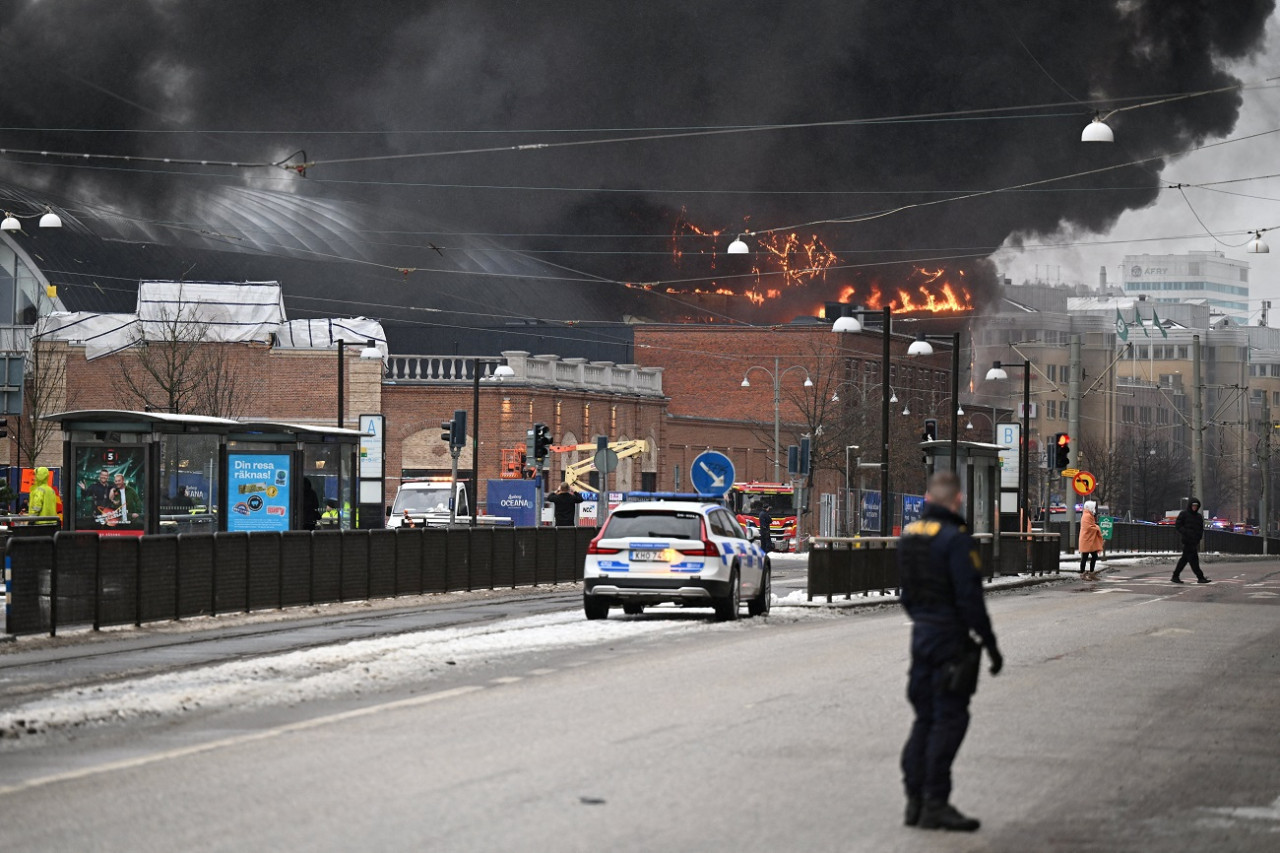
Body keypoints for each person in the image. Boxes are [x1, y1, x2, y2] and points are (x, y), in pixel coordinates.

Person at [897, 470, 1002, 832]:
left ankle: (914, 799)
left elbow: (906, 594)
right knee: (950, 718)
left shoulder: (910, 536)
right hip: (949, 639)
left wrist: (924, 620)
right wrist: (990, 645)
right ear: (956, 499)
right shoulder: (957, 540)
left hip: (922, 635)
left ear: (927, 498)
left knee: (924, 717)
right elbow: (970, 599)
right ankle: (936, 803)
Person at [1172, 497, 1210, 584]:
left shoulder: (1198, 516)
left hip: (1194, 541)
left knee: (1185, 559)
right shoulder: (1184, 514)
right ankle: (1200, 577)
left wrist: (1198, 537)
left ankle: (1175, 576)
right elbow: (1178, 525)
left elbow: (1200, 528)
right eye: (1193, 506)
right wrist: (1186, 532)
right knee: (1193, 560)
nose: (1194, 507)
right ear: (1190, 506)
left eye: (1196, 506)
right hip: (1187, 540)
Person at [1078, 500, 1103, 575]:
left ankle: (1086, 572)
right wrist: (1097, 528)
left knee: (1088, 556)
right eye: (1093, 507)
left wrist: (1095, 527)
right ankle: (1085, 572)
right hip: (1087, 539)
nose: (1094, 509)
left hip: (1089, 539)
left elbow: (1090, 526)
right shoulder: (1087, 516)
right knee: (1088, 556)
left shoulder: (1087, 515)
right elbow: (1088, 527)